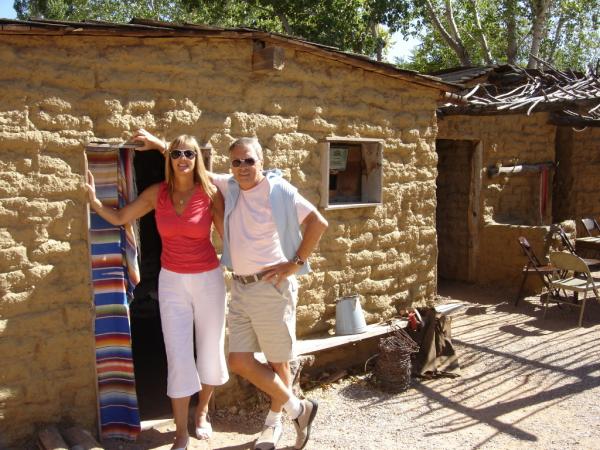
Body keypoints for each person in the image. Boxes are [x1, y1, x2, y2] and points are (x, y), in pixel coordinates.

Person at [132, 130, 328, 450]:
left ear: (260, 161)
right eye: (236, 161)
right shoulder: (229, 185)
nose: (242, 166)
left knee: (278, 360)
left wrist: (295, 263)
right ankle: (298, 409)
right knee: (238, 360)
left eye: (249, 160)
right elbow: (190, 164)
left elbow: (318, 222)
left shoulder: (280, 189)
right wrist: (158, 145)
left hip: (270, 285)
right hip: (240, 286)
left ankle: (274, 423)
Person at [86, 135, 228, 450]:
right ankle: (180, 432)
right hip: (172, 281)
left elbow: (227, 233)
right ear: (170, 159)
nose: (182, 159)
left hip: (208, 279)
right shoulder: (157, 193)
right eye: (176, 153)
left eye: (189, 153)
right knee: (178, 357)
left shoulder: (209, 193)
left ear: (197, 159)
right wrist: (95, 203)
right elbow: (122, 218)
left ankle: (202, 410)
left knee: (209, 350)